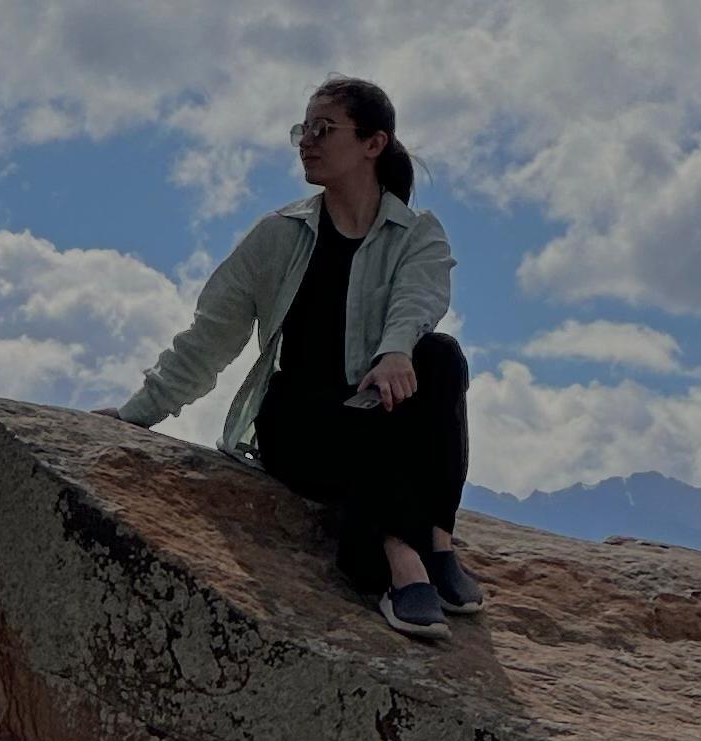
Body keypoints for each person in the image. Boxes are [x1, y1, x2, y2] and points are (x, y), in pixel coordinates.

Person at [114, 77, 481, 638]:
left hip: (381, 416)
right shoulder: (278, 236)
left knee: (441, 357)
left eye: (323, 129)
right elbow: (210, 336)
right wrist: (137, 413)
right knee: (370, 421)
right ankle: (400, 559)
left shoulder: (416, 234)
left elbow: (419, 300)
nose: (306, 142)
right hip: (303, 427)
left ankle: (438, 542)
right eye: (302, 130)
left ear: (373, 143)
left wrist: (395, 350)